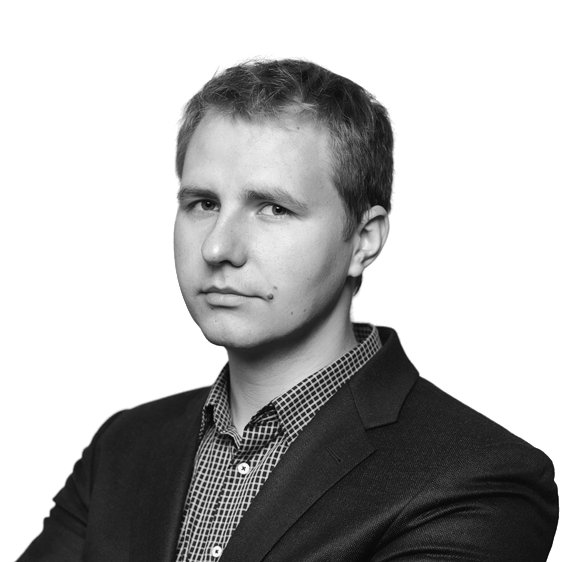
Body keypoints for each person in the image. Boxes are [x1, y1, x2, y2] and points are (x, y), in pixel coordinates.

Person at [18, 56, 558, 562]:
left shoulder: (477, 477)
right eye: (202, 203)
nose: (218, 248)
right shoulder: (124, 445)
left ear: (365, 239)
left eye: (273, 208)